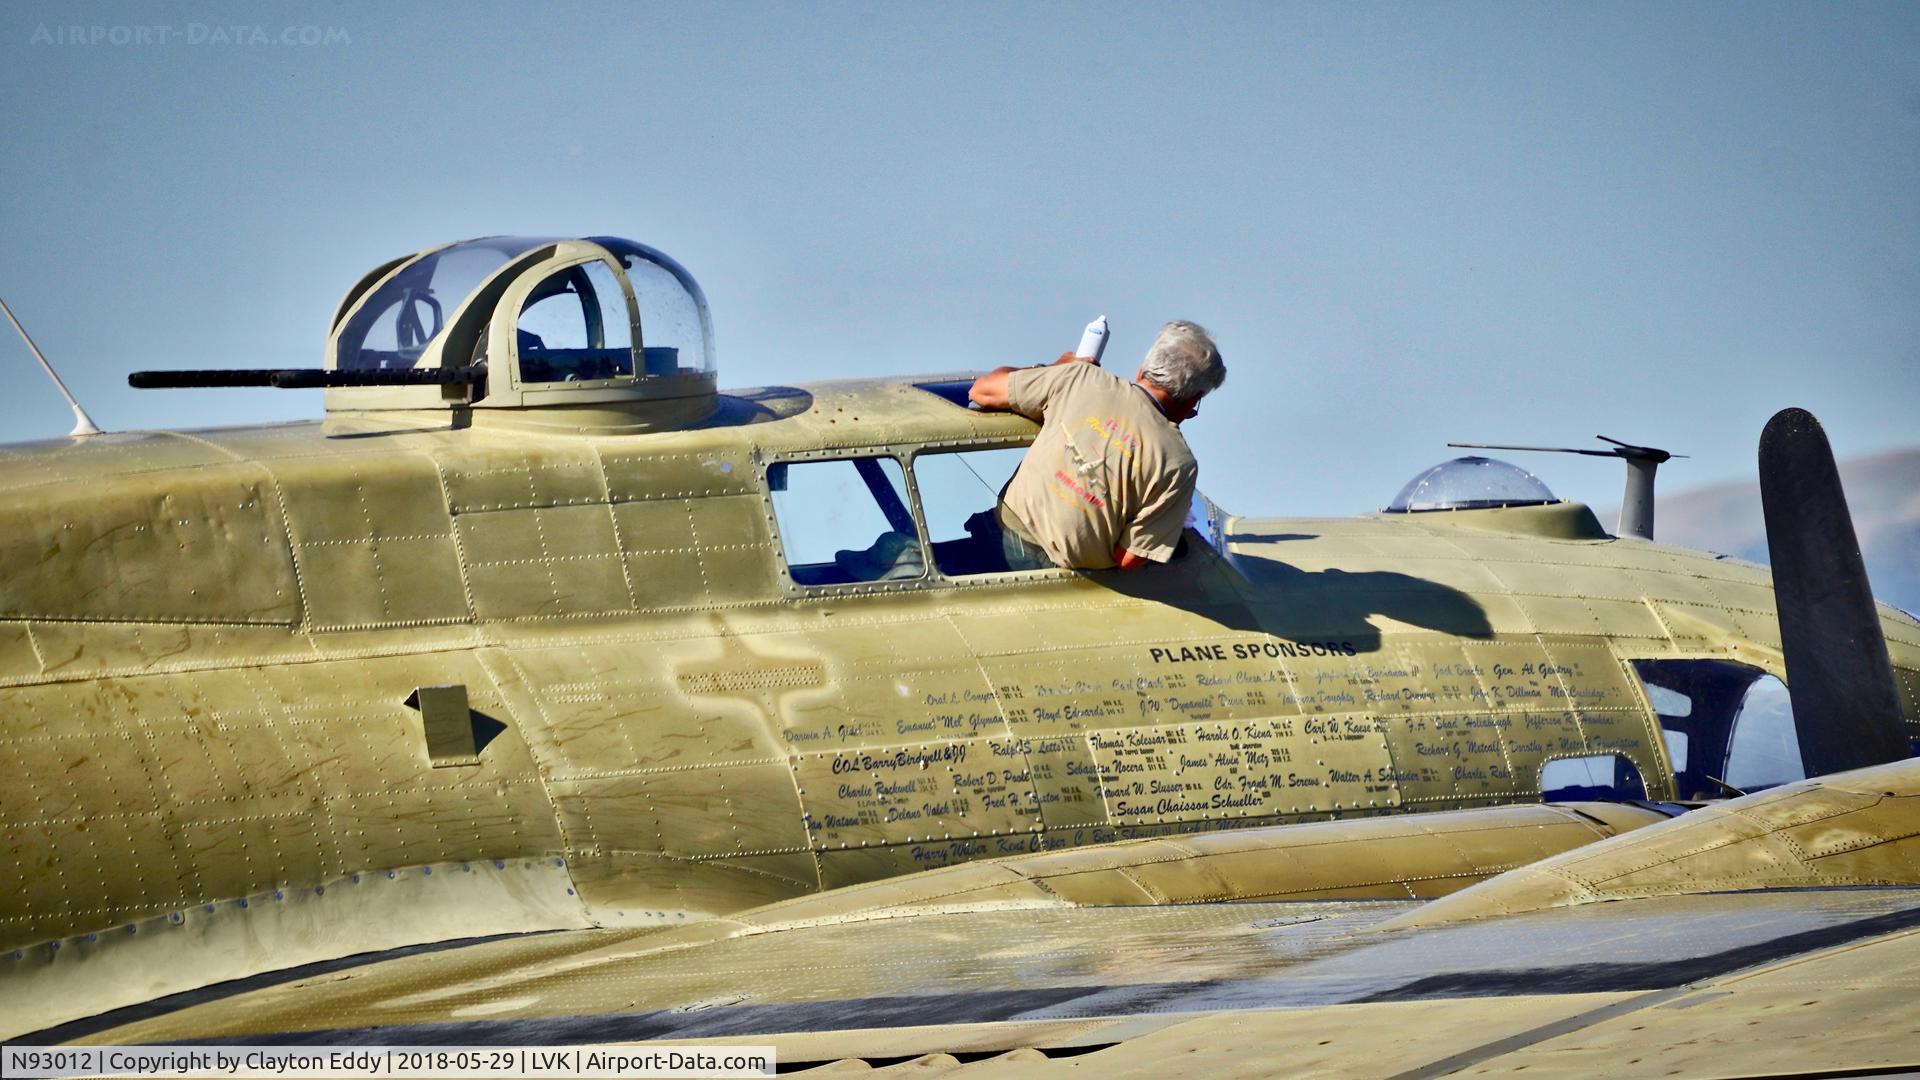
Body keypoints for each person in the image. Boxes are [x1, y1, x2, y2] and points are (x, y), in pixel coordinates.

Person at [968, 320, 1225, 571]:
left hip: (1004, 531)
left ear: (1141, 371)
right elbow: (1128, 559)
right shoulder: (1179, 463)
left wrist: (1053, 368)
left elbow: (981, 391)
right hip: (1063, 570)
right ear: (1194, 399)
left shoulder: (1080, 378)